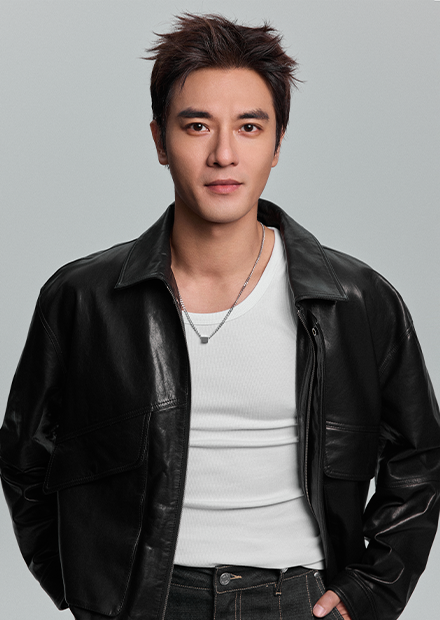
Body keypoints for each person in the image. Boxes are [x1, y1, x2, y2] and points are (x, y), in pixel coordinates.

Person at [1, 12, 439, 620]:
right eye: (197, 126)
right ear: (160, 141)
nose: (224, 154)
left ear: (277, 144)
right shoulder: (84, 299)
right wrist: (88, 592)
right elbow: (23, 457)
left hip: (299, 600)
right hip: (144, 604)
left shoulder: (355, 301)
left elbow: (420, 458)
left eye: (249, 127)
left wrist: (370, 591)